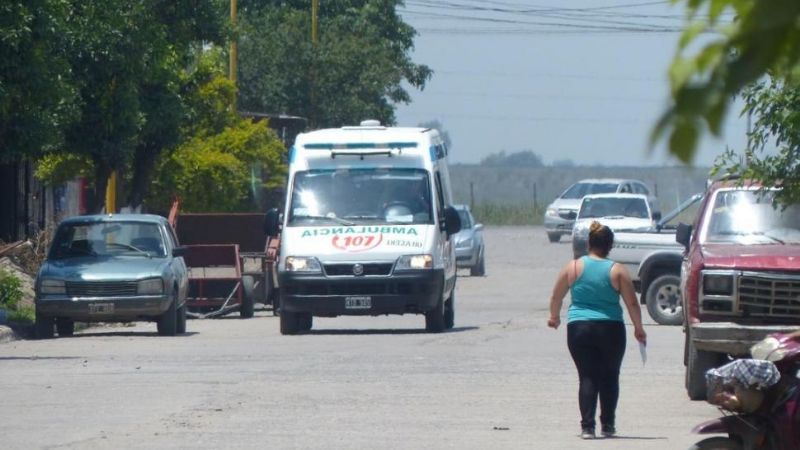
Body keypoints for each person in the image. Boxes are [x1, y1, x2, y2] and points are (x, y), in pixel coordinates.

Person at [547, 221, 647, 440]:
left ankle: (587, 427)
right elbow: (631, 303)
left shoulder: (573, 267)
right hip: (610, 329)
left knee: (587, 376)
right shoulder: (617, 270)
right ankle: (608, 425)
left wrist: (554, 317)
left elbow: (556, 296)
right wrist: (638, 328)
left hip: (579, 328)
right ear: (610, 246)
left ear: (588, 243)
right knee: (610, 376)